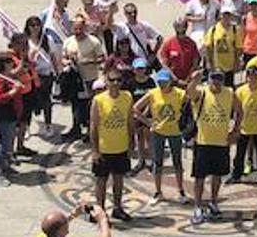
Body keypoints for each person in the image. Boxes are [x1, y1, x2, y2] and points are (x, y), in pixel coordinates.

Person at [189, 70, 241, 224]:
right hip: (203, 141)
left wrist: (235, 130)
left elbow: (240, 110)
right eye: (213, 79)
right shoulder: (202, 92)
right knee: (199, 176)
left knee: (217, 175)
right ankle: (198, 205)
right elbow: (189, 92)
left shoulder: (229, 93)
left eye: (219, 79)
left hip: (221, 142)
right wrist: (195, 79)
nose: (216, 82)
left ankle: (213, 202)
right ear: (209, 80)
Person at [133, 69, 188, 205]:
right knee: (157, 163)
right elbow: (135, 108)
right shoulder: (152, 93)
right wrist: (147, 122)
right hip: (158, 132)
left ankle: (180, 190)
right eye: (160, 82)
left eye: (165, 82)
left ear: (170, 82)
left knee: (177, 162)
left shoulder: (179, 93)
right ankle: (158, 191)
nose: (162, 85)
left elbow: (192, 100)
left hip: (175, 132)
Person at [89, 71, 134, 221]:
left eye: (119, 80)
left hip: (121, 147)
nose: (115, 83)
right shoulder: (99, 100)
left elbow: (129, 121)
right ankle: (100, 211)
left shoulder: (127, 97)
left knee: (119, 179)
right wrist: (95, 150)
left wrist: (131, 143)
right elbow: (94, 126)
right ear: (106, 82)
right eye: (112, 80)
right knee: (101, 180)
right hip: (104, 148)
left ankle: (117, 208)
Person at [61, 15, 105, 142]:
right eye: (75, 29)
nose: (77, 31)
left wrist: (88, 61)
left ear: (84, 28)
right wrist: (68, 62)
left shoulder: (94, 41)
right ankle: (76, 128)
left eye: (80, 28)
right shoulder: (68, 41)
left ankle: (90, 129)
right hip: (74, 79)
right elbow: (63, 58)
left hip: (89, 78)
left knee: (90, 105)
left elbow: (102, 58)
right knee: (75, 104)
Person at [229, 65, 257, 183]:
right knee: (240, 153)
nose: (252, 79)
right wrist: (235, 126)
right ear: (247, 77)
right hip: (244, 126)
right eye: (250, 76)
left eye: (255, 76)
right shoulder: (240, 91)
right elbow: (236, 111)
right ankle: (236, 175)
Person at [0, 53, 27, 186]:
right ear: (4, 65)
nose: (12, 64)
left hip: (12, 115)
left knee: (8, 144)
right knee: (4, 146)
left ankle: (5, 166)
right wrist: (13, 91)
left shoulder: (8, 76)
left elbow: (19, 70)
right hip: (4, 116)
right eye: (10, 62)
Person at [158, 17, 200, 87]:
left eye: (180, 25)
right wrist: (176, 80)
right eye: (176, 26)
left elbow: (195, 64)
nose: (178, 28)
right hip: (172, 80)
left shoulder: (192, 44)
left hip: (187, 81)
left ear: (185, 27)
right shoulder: (169, 43)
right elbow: (164, 64)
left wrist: (187, 79)